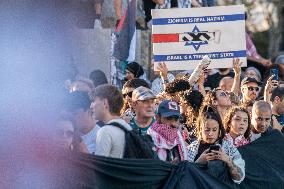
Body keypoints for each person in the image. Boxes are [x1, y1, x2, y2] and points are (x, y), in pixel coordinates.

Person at [187, 107, 245, 184]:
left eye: (214, 130)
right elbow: (186, 175)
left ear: (219, 130)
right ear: (200, 129)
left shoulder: (229, 147)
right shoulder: (192, 148)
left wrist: (228, 161)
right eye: (207, 130)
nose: (210, 133)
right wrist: (198, 163)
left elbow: (239, 178)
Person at [91, 84, 132, 158]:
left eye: (93, 101)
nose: (91, 106)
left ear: (104, 103)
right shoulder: (127, 127)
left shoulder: (105, 131)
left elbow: (99, 166)